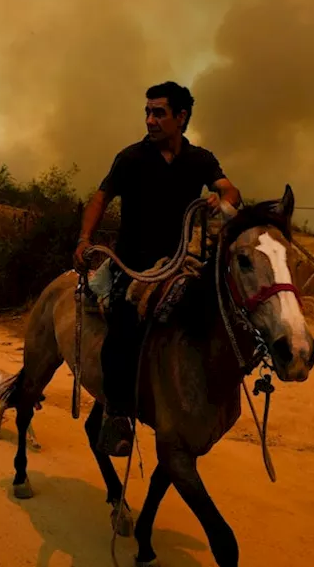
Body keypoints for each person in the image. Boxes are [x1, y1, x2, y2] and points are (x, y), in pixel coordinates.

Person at [73, 81, 242, 457]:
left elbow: (232, 192)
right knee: (123, 321)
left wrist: (221, 200)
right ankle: (117, 414)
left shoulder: (200, 160)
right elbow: (101, 197)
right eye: (147, 112)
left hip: (179, 262)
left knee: (211, 313)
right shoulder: (131, 158)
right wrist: (84, 239)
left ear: (181, 118)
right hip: (131, 265)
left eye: (159, 113)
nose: (149, 120)